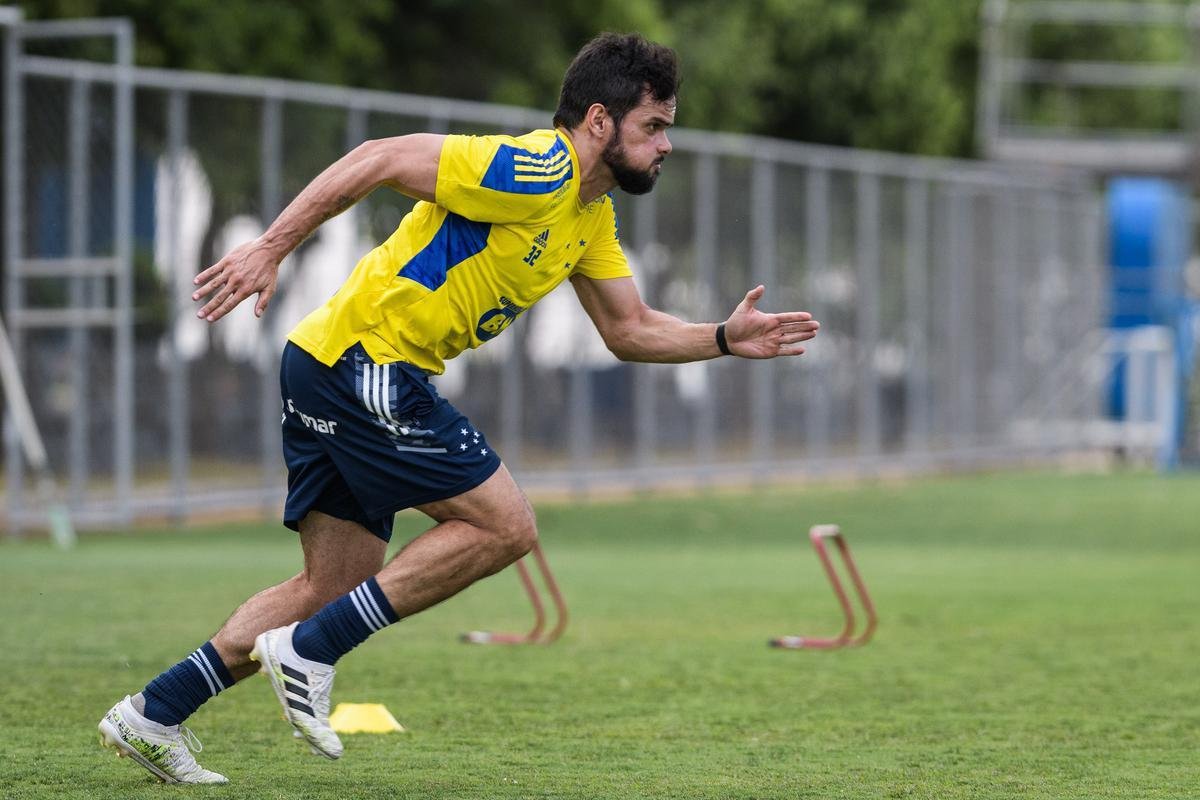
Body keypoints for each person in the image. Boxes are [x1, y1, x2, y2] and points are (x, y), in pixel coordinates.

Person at [97, 32, 820, 784]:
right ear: (600, 121)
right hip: (362, 361)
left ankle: (154, 712)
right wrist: (270, 247)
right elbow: (379, 156)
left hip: (329, 363)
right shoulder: (536, 168)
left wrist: (723, 338)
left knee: (331, 585)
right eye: (654, 125)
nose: (666, 143)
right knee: (505, 526)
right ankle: (309, 651)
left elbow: (629, 329)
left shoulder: (590, 217)